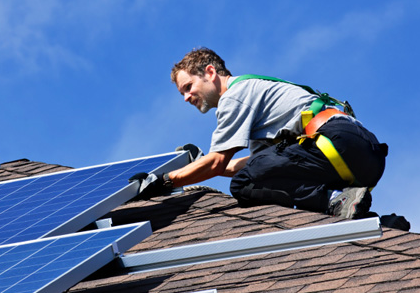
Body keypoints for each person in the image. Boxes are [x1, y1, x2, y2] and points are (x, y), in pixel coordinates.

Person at [130, 47, 388, 219]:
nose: (186, 97)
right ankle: (364, 217)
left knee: (245, 185)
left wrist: (164, 180)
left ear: (210, 72)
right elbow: (243, 164)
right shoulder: (255, 95)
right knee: (253, 173)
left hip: (336, 144)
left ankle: (335, 200)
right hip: (364, 156)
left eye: (188, 87)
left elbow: (219, 162)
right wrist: (198, 166)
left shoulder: (235, 96)